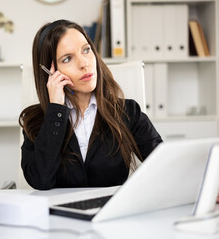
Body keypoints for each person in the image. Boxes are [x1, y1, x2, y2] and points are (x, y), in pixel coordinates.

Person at [19, 19, 163, 190]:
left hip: (111, 212)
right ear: (50, 73)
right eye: (67, 59)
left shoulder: (128, 112)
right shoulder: (36, 121)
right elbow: (40, 180)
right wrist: (56, 110)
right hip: (60, 214)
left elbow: (164, 165)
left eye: (86, 50)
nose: (84, 63)